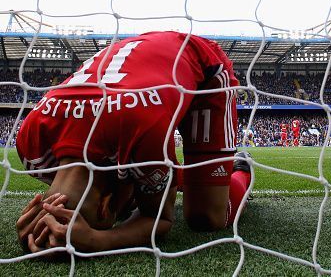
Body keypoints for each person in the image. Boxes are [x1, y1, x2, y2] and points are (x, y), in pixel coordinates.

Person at [15, 31, 252, 254]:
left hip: (203, 68)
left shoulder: (141, 130)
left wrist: (97, 240)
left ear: (105, 206)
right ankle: (175, 178)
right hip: (141, 81)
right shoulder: (29, 142)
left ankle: (241, 169)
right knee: (132, 187)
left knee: (206, 218)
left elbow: (161, 218)